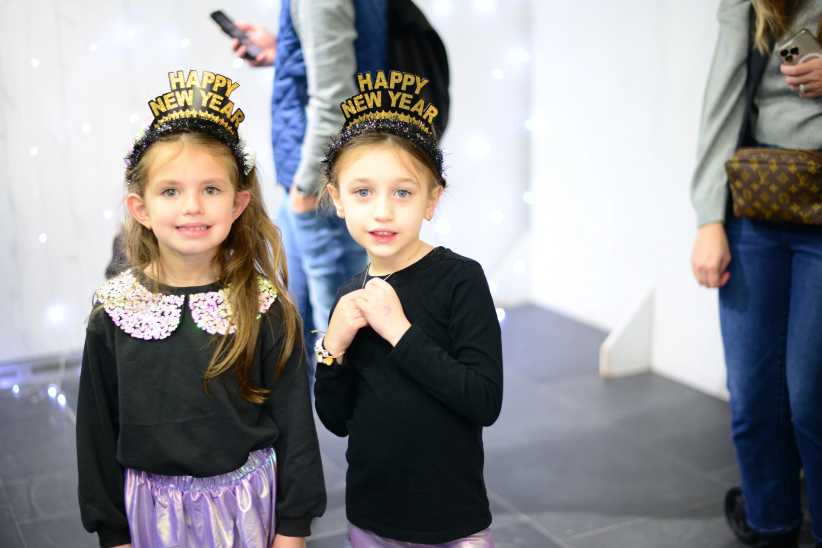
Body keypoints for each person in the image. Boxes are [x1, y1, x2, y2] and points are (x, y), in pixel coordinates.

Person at [76, 69, 326, 548]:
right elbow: (95, 433)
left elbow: (296, 426)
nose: (192, 206)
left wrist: (293, 529)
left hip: (249, 511)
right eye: (170, 191)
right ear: (140, 207)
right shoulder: (114, 313)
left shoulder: (263, 306)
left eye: (211, 189)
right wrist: (113, 533)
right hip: (152, 516)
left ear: (238, 203)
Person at [313, 69, 503, 547]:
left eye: (402, 192)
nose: (382, 211)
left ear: (431, 199)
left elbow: (483, 400)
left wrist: (400, 332)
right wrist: (332, 345)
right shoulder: (350, 293)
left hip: (451, 518)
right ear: (337, 199)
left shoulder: (461, 279)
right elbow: (337, 420)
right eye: (363, 192)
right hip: (373, 515)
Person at [690, 2, 822, 546]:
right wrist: (709, 218)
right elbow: (722, 96)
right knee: (752, 396)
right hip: (760, 199)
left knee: (811, 399)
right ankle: (772, 527)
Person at [231, 0, 387, 370]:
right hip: (324, 182)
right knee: (302, 333)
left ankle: (339, 427)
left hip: (319, 189)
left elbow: (336, 101)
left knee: (334, 346)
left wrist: (305, 190)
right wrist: (282, 49)